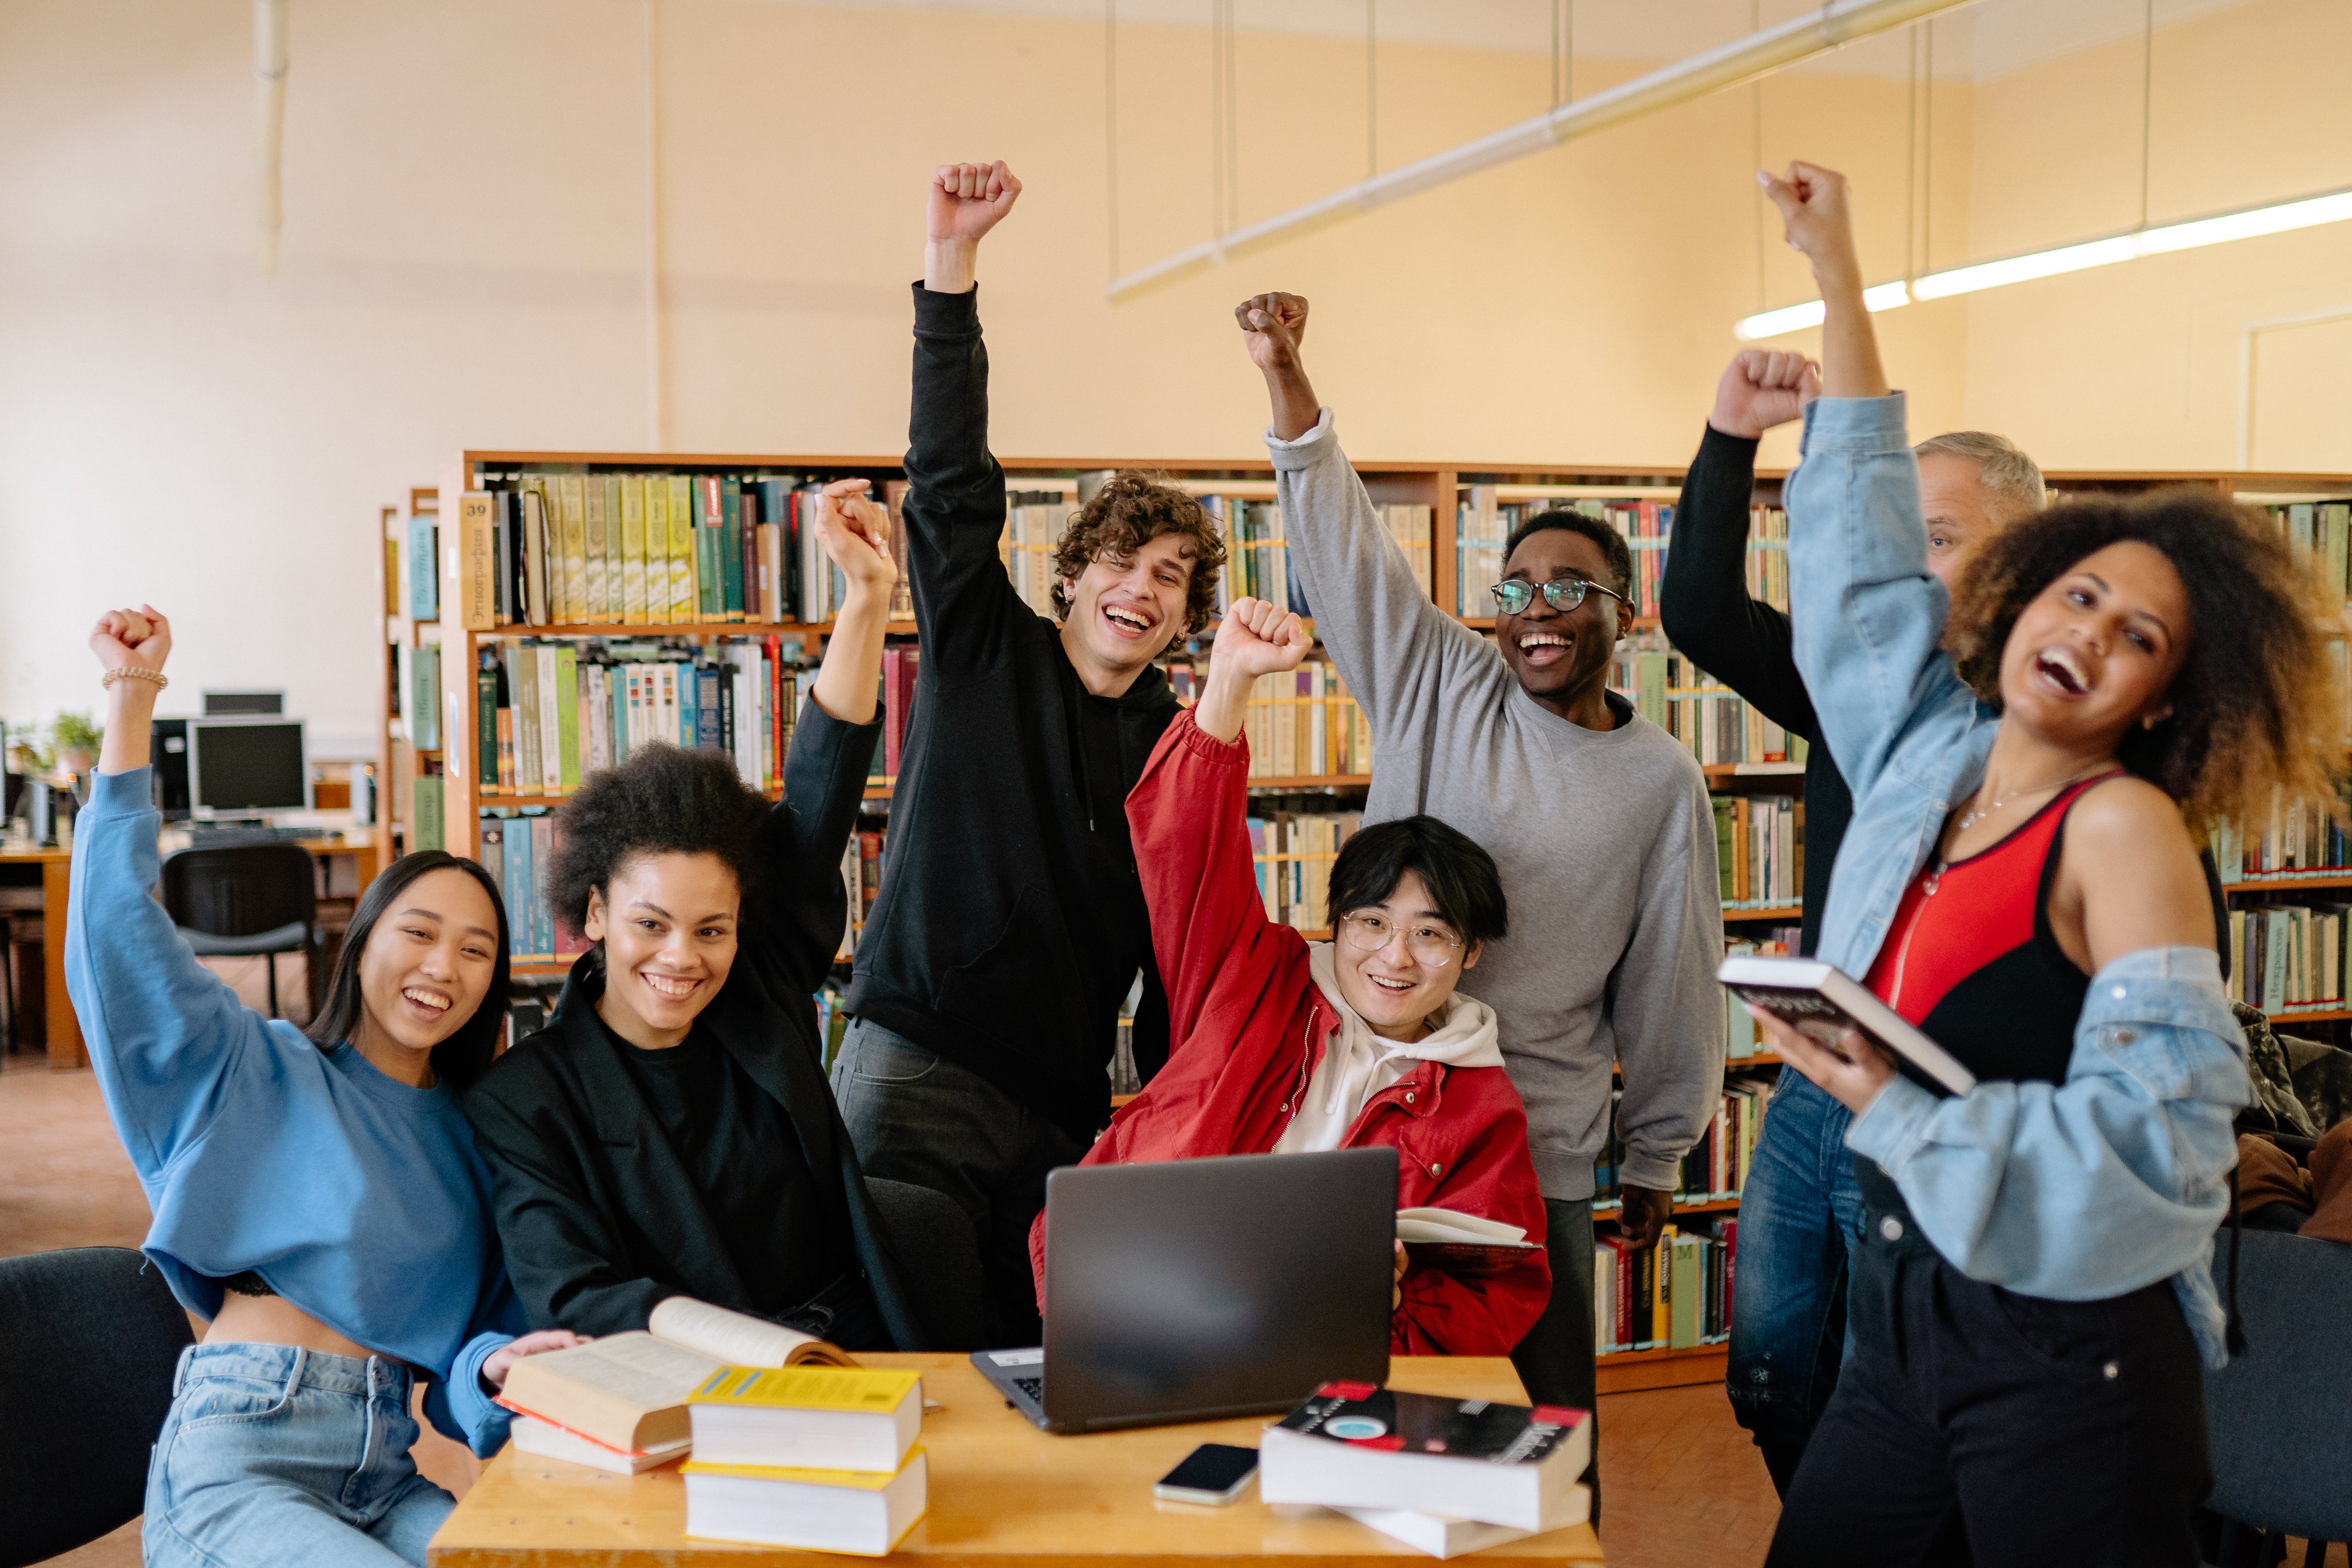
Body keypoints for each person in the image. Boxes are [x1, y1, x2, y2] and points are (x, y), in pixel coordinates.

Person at [1746, 159, 2343, 1567]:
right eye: (2079, 591)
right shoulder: (1923, 754)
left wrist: (1887, 1105)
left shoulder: (2120, 827)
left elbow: (2161, 1153)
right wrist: (1837, 274)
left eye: (2140, 636)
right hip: (1905, 1311)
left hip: (2065, 1352)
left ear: (2162, 701)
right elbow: (1853, 561)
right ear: (2020, 597)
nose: (2088, 630)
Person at [1236, 292, 1727, 1503]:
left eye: (1567, 588)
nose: (1534, 611)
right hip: (1379, 1120)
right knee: (1355, 1421)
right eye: (1511, 589)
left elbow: (1671, 971)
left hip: (1539, 1149)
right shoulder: (1434, 680)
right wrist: (1289, 383)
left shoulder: (1658, 781)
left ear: (1628, 614)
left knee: (1551, 1447)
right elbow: (1345, 547)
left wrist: (1656, 1153)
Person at [68, 606, 579, 1568]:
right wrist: (130, 696)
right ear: (363, 939)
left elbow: (472, 1362)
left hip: (386, 1471)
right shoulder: (250, 1065)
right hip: (240, 1455)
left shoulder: (482, 1140)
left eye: (476, 951)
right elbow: (110, 929)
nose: (443, 966)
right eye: (418, 932)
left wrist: (501, 1365)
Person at [830, 161, 1227, 1347]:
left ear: (1183, 613)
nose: (1141, 588)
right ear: (1071, 575)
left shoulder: (1174, 741)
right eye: (1122, 561)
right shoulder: (983, 646)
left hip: (1060, 1107)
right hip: (915, 1071)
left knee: (1032, 1371)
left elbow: (1182, 945)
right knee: (892, 1356)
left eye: (1169, 576)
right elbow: (948, 479)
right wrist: (949, 270)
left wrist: (1162, 1114)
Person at [1657, 351, 2047, 1495]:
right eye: (1892, 540)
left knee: (1897, 1386)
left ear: (2023, 555)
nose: (1906, 566)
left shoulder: (2053, 720)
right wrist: (1733, 435)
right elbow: (1700, 611)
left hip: (1938, 1093)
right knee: (1773, 1372)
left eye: (1938, 535)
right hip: (1813, 1086)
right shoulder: (1850, 689)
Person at [465, 483, 924, 1352]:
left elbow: (820, 799)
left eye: (711, 929)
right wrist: (755, 1345)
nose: (682, 958)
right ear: (593, 913)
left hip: (864, 1345)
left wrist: (867, 600)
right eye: (650, 924)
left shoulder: (762, 993)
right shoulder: (524, 1099)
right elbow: (571, 1288)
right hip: (689, 1373)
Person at [1027, 596, 1549, 1354]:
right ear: (1335, 922)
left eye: (1430, 935)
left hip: (1322, 1354)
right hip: (1144, 1306)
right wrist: (1231, 678)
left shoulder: (1481, 1102)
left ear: (1472, 953)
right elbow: (1189, 848)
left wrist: (1386, 1314)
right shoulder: (1251, 981)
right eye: (1371, 923)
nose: (1394, 958)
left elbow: (1496, 1289)